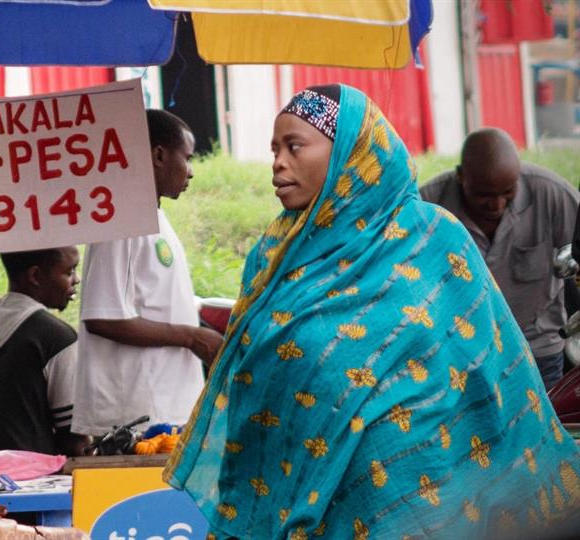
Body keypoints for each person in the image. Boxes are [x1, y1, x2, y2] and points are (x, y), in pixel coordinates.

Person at [167, 84, 580, 538]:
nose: (278, 163)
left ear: (350, 152)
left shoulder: (430, 237)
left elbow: (490, 371)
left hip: (416, 492)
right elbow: (255, 371)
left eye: (294, 146)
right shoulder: (276, 253)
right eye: (274, 149)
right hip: (296, 493)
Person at [72, 109, 222, 437]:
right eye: (187, 158)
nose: (191, 171)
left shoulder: (154, 219)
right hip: (136, 418)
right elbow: (102, 317)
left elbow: (153, 299)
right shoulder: (121, 220)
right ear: (158, 155)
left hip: (166, 408)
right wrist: (191, 336)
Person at [420, 128, 579, 388]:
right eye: (484, 195)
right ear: (461, 177)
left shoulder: (551, 193)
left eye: (507, 192)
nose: (496, 204)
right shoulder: (428, 206)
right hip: (461, 354)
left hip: (537, 349)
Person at [0, 247, 86, 456]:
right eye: (69, 272)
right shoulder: (57, 339)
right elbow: (74, 441)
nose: (76, 280)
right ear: (35, 276)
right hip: (36, 473)